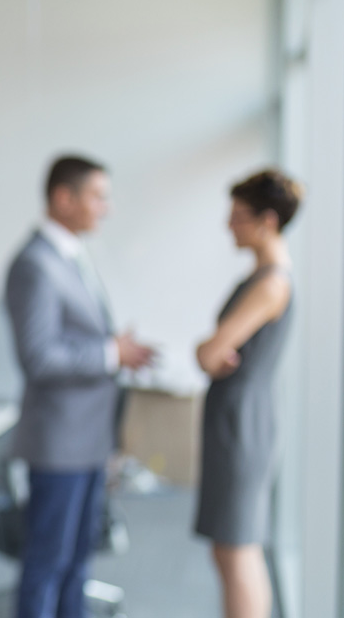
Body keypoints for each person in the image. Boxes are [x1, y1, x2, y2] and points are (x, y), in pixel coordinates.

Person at [3, 155, 154, 618]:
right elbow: (39, 356)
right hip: (60, 445)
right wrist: (112, 354)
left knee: (77, 564)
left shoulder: (71, 257)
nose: (105, 208)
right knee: (48, 564)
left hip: (88, 441)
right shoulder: (35, 264)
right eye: (97, 196)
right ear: (63, 197)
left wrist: (114, 349)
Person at [194, 169, 302, 618]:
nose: (229, 224)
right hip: (238, 417)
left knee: (237, 548)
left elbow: (210, 353)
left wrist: (208, 348)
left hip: (242, 422)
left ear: (268, 221)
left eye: (239, 216)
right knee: (232, 546)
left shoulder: (270, 284)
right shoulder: (264, 277)